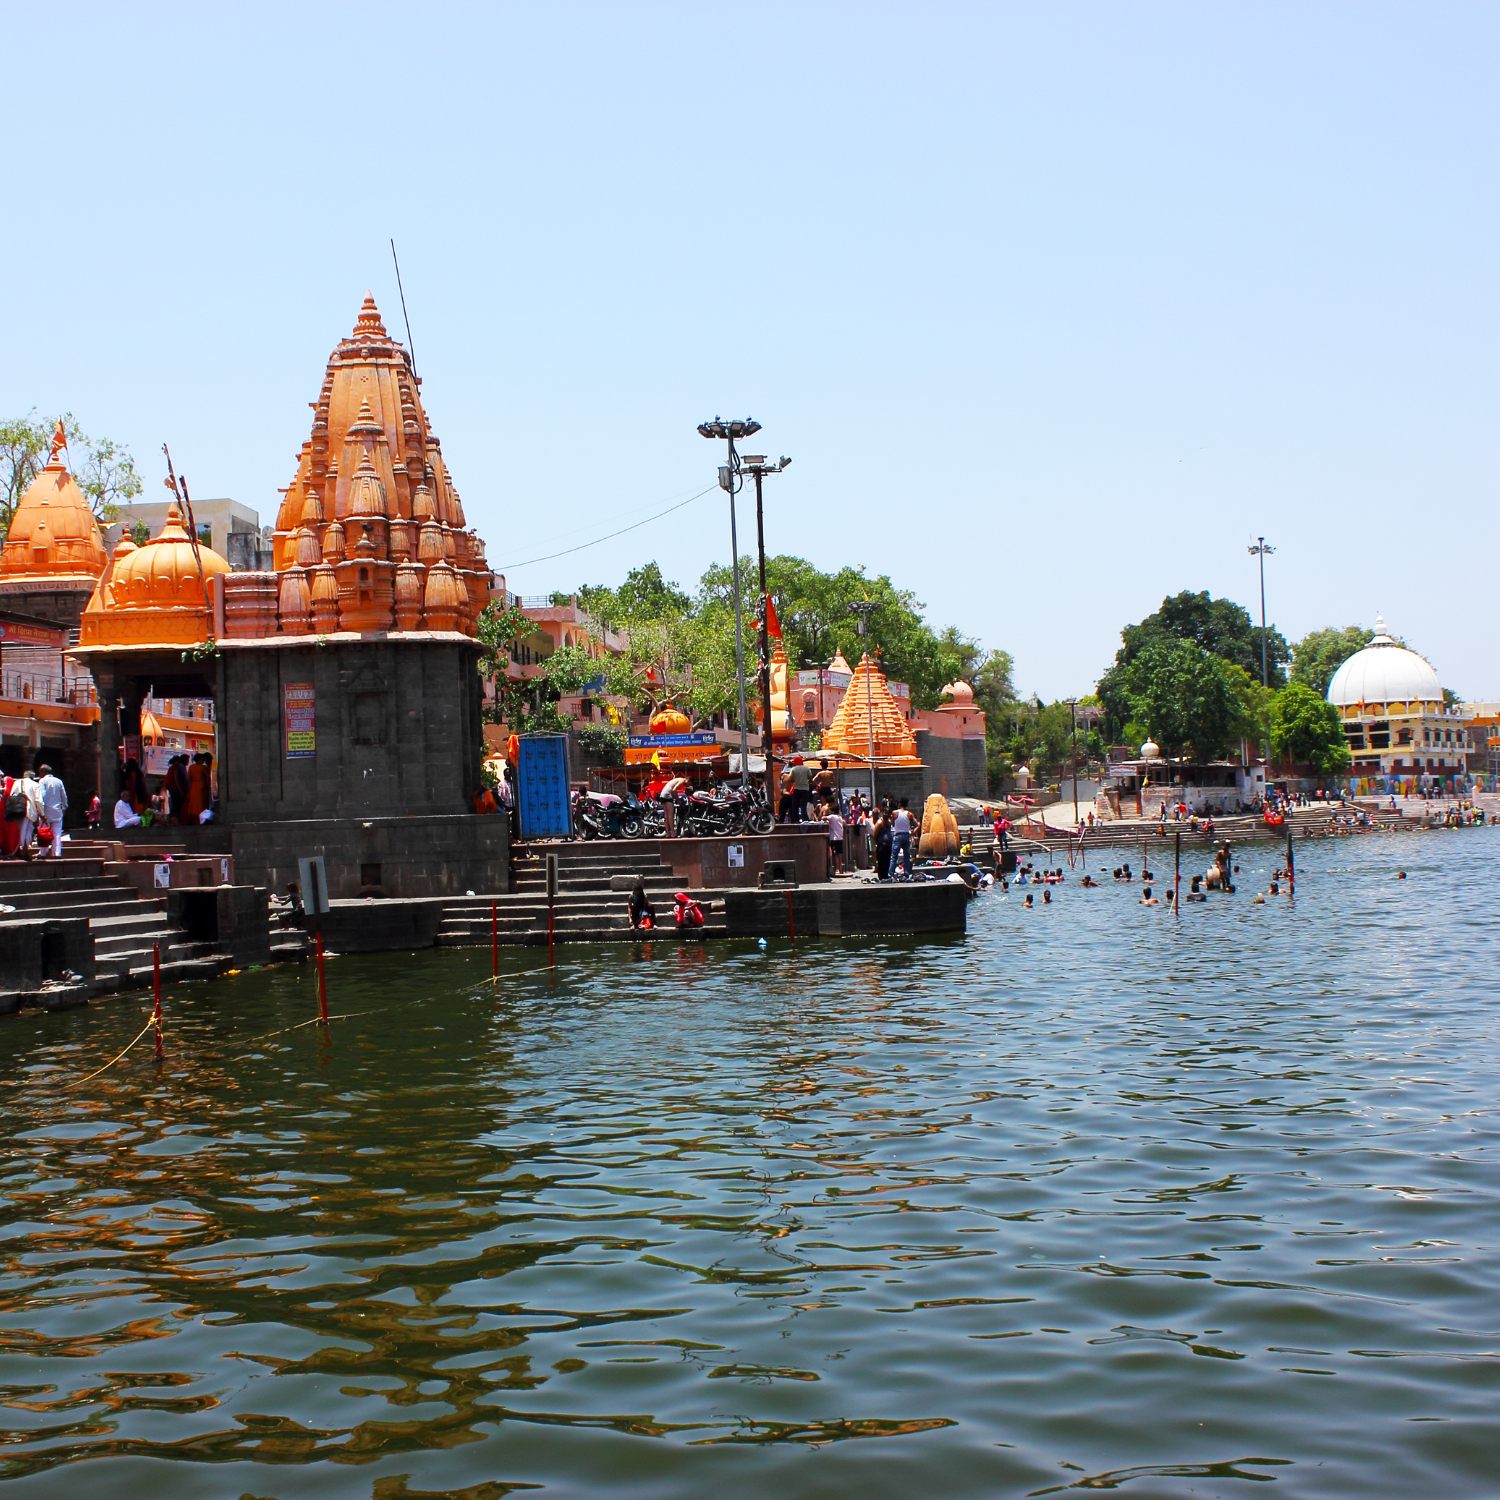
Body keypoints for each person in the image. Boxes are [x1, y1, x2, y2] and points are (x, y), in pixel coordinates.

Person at [36, 763, 66, 858]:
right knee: (57, 833)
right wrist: (64, 807)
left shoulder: (42, 781)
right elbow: (63, 795)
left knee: (44, 832)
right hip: (57, 811)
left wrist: (40, 811)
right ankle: (57, 853)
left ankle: (43, 852)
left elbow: (42, 795)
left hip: (46, 810)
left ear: (43, 772)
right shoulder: (59, 781)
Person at [185, 752, 213, 823]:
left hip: (193, 787)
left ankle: (194, 818)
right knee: (201, 803)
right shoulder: (203, 767)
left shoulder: (191, 767)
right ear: (199, 759)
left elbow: (188, 778)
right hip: (202, 786)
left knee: (194, 803)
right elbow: (209, 776)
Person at [890, 798, 914, 878]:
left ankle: (890, 874)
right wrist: (913, 832)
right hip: (906, 835)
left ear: (899, 804)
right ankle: (906, 873)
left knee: (894, 856)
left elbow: (892, 823)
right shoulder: (909, 814)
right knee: (906, 856)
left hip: (898, 835)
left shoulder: (895, 813)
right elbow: (917, 824)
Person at [164, 754, 189, 823]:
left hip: (172, 789)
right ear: (175, 761)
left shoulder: (171, 768)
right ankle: (176, 820)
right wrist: (181, 791)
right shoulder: (175, 769)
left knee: (174, 806)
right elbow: (176, 780)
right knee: (177, 806)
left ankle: (173, 820)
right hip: (175, 789)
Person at [873, 807, 892, 881]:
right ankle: (881, 877)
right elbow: (875, 835)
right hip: (881, 845)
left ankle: (886, 876)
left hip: (888, 845)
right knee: (881, 862)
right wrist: (877, 844)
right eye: (885, 813)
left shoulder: (889, 822)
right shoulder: (880, 823)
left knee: (887, 862)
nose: (887, 815)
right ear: (882, 813)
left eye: (888, 813)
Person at [826, 803, 845, 876]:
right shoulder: (840, 817)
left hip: (834, 838)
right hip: (840, 837)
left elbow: (823, 818)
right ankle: (839, 868)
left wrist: (825, 810)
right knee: (840, 853)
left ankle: (837, 869)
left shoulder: (832, 816)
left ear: (833, 811)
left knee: (835, 854)